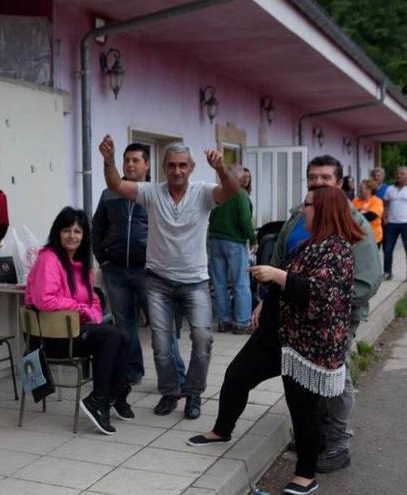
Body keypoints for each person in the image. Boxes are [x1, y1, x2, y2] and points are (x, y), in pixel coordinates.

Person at [188, 186, 363, 495]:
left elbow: (318, 295)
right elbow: (288, 282)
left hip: (306, 346)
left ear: (323, 210)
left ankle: (306, 476)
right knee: (236, 376)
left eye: (307, 205)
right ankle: (221, 430)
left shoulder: (337, 249)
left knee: (303, 409)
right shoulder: (311, 243)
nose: (301, 211)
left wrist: (276, 275)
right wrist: (263, 301)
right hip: (275, 334)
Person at [99, 136, 239, 419]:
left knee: (202, 338)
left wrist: (222, 168)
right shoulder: (151, 192)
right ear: (163, 167)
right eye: (172, 165)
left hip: (195, 281)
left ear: (192, 167)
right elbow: (116, 185)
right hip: (158, 281)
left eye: (183, 166)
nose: (177, 171)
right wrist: (109, 160)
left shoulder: (203, 193)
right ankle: (169, 392)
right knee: (161, 346)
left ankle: (194, 393)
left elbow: (232, 191)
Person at [262, 155, 381, 473]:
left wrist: (325, 302)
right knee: (306, 378)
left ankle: (338, 442)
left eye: (325, 178)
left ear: (339, 183)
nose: (318, 183)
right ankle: (312, 437)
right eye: (312, 177)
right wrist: (268, 302)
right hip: (297, 320)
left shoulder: (355, 225)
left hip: (335, 321)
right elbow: (278, 265)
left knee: (334, 378)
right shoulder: (296, 219)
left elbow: (367, 282)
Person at [27, 207, 133, 434]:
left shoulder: (82, 263)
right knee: (112, 336)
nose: (72, 235)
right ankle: (106, 397)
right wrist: (82, 309)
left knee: (124, 334)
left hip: (73, 330)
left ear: (84, 235)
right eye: (67, 230)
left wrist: (92, 313)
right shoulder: (49, 258)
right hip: (50, 336)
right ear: (58, 232)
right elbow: (45, 300)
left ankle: (110, 395)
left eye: (77, 231)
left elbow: (92, 297)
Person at [91, 143, 186, 387]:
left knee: (161, 327)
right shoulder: (109, 194)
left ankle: (174, 376)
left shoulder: (159, 193)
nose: (130, 164)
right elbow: (97, 229)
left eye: (135, 160)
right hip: (116, 272)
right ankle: (132, 372)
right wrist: (104, 259)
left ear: (147, 164)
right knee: (125, 326)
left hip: (150, 272)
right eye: (126, 160)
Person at [207, 165, 256, 334]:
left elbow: (211, 215)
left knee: (219, 283)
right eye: (245, 177)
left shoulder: (219, 192)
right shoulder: (240, 195)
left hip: (214, 240)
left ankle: (223, 320)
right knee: (241, 282)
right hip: (234, 242)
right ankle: (242, 323)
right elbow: (245, 220)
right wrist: (253, 239)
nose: (246, 180)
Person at [383, 166, 407, 281]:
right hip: (391, 224)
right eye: (397, 173)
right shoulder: (389, 189)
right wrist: (385, 217)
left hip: (406, 224)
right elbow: (385, 204)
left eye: (402, 174)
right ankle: (387, 272)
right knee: (388, 249)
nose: (399, 176)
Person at [353, 179, 383, 246]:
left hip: (374, 237)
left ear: (370, 190)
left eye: (362, 188)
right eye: (360, 187)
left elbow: (371, 216)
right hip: (358, 236)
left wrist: (358, 213)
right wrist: (362, 212)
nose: (360, 190)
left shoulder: (377, 201)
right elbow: (349, 215)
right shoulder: (355, 201)